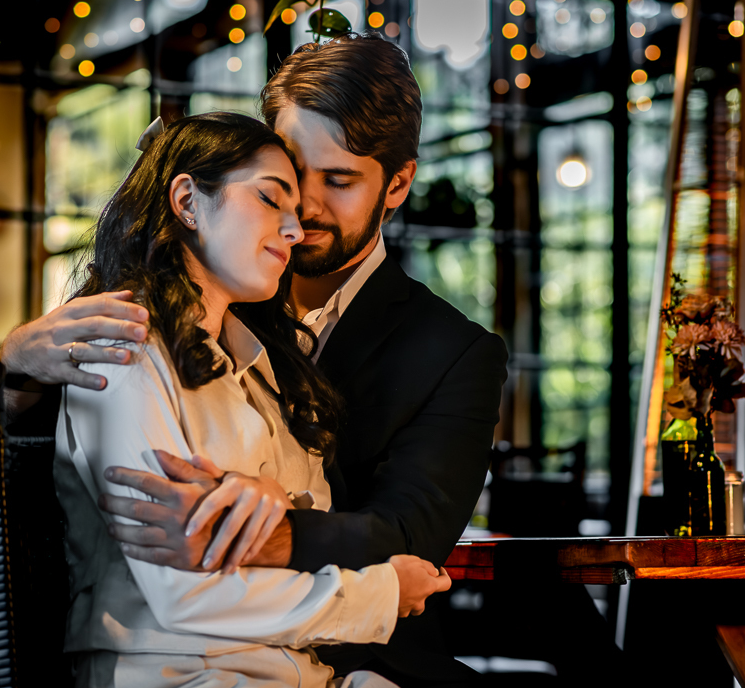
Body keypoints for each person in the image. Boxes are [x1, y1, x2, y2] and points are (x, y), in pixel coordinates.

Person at [2, 35, 509, 686]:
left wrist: (275, 523)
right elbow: (41, 452)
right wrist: (13, 368)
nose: (305, 210)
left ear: (399, 183)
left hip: (355, 654)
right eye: (286, 182)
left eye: (339, 180)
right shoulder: (182, 305)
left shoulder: (454, 351)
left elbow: (409, 533)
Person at [53, 111, 451, 687]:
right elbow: (185, 593)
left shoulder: (265, 369)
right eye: (270, 199)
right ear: (187, 202)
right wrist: (379, 594)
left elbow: (303, 530)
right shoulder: (125, 349)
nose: (296, 230)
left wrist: (275, 509)